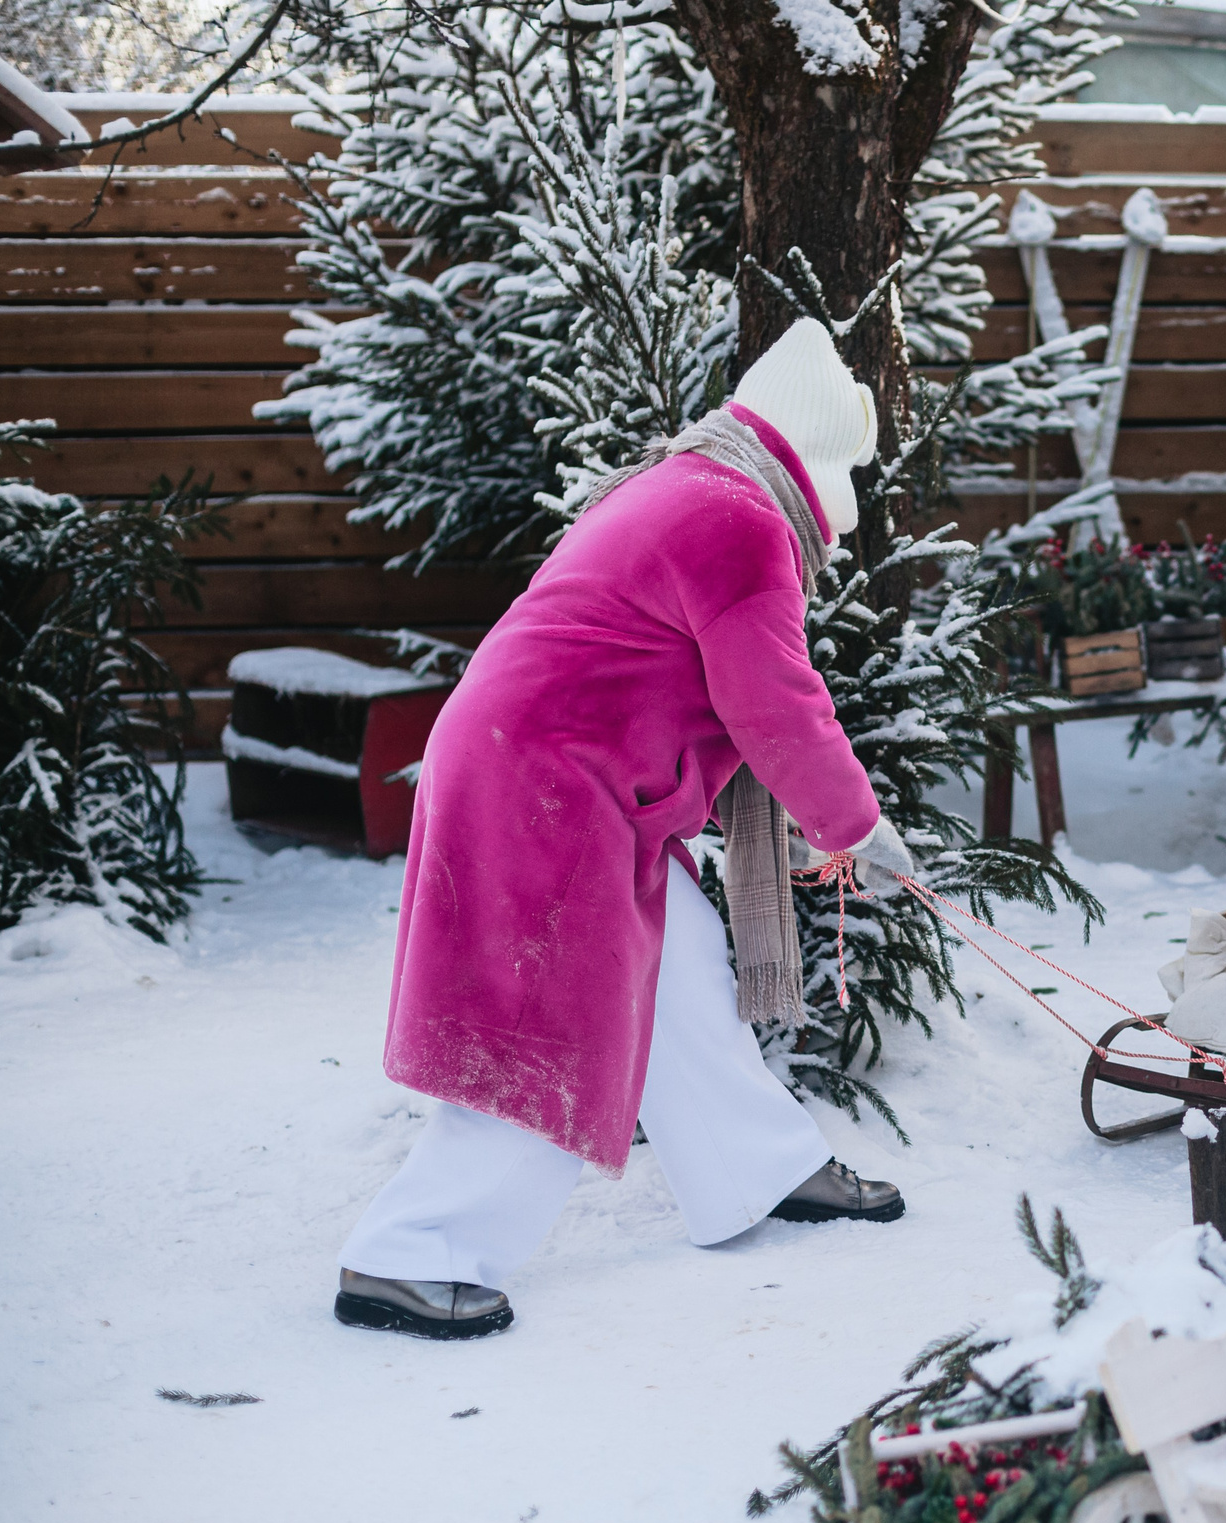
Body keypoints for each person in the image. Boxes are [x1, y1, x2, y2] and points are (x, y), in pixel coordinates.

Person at [333, 319, 917, 1341]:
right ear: (815, 466)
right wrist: (854, 825)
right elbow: (776, 703)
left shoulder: (695, 485)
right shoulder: (735, 519)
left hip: (546, 769)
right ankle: (411, 1254)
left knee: (680, 972)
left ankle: (758, 1167)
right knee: (552, 1028)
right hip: (545, 786)